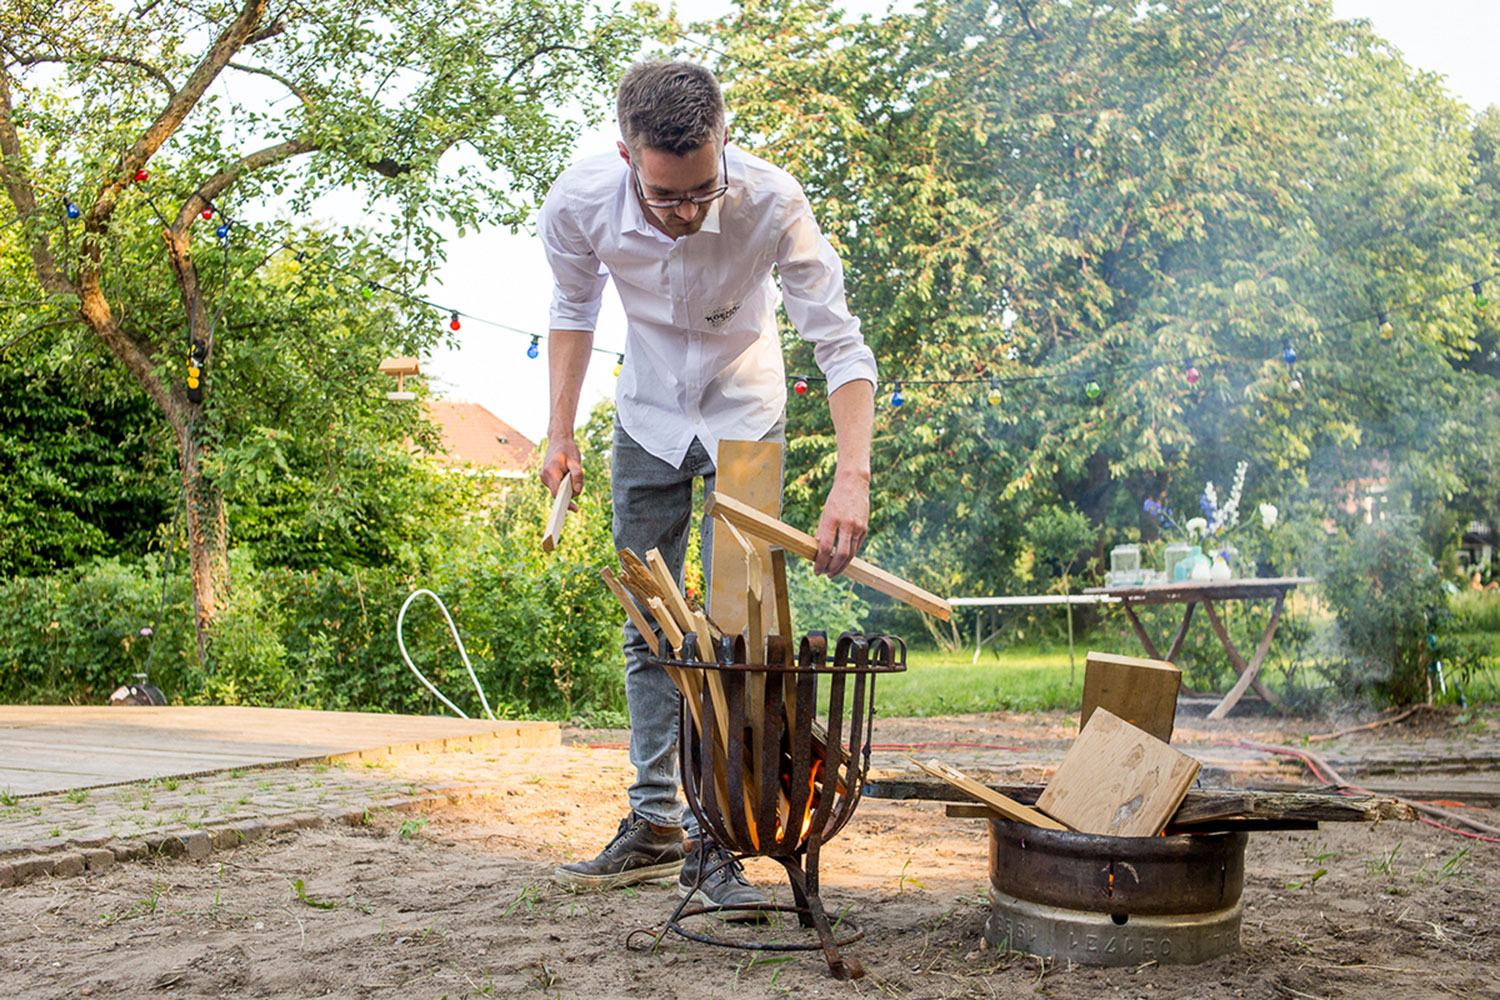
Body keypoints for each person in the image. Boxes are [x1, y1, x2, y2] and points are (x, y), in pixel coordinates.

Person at [537, 61, 876, 911]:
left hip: (747, 414)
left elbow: (840, 344)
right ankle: (653, 820)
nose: (685, 213)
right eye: (664, 197)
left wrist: (851, 478)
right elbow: (573, 311)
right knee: (650, 622)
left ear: (724, 141)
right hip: (647, 411)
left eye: (700, 191)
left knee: (735, 630)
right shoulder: (578, 203)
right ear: (626, 157)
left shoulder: (771, 201)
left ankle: (717, 833)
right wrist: (560, 430)